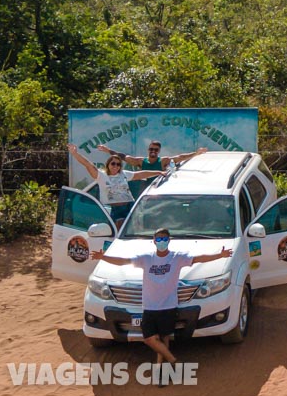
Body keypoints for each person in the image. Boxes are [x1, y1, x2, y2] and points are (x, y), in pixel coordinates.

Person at [91, 228, 232, 378]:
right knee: (149, 338)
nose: (161, 242)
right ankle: (173, 361)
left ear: (169, 240)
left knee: (164, 338)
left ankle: (160, 370)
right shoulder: (146, 258)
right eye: (158, 239)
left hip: (168, 305)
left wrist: (220, 255)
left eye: (164, 239)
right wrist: (103, 257)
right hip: (150, 306)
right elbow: (123, 261)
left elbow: (199, 259)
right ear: (154, 241)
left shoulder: (177, 257)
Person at [68, 143, 164, 228]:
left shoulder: (124, 174)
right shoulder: (101, 176)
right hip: (113, 210)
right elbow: (88, 164)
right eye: (113, 163)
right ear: (108, 164)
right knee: (117, 233)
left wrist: (159, 172)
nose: (115, 166)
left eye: (118, 164)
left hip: (129, 207)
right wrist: (75, 153)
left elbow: (140, 174)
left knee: (134, 232)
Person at [97, 141, 207, 172]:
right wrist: (108, 150)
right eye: (151, 149)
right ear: (148, 150)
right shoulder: (141, 162)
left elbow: (180, 157)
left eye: (156, 149)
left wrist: (195, 153)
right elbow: (123, 156)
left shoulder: (163, 161)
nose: (153, 151)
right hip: (145, 192)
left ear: (159, 151)